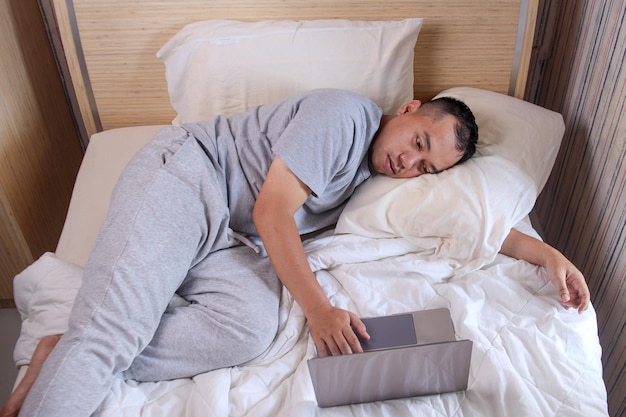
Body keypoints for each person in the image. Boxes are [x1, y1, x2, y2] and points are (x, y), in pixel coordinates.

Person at [0, 88, 589, 417]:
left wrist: (547, 255)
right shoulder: (345, 117)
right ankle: (90, 347)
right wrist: (319, 310)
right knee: (110, 331)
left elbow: (460, 221)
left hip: (229, 242)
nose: (410, 164)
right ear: (409, 109)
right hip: (189, 182)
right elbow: (270, 212)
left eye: (425, 166)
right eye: (417, 144)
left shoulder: (379, 177)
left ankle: (65, 352)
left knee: (248, 328)